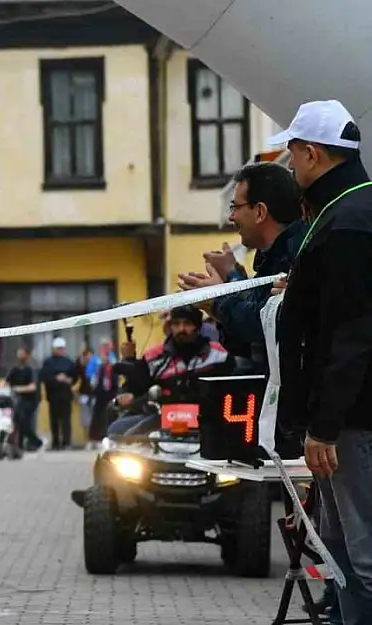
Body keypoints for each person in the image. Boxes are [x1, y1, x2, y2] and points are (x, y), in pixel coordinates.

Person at [270, 100, 372, 624]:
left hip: (352, 421)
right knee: (340, 551)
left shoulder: (350, 221)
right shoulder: (344, 212)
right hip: (341, 420)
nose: (290, 170)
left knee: (362, 556)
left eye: (292, 157)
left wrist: (325, 426)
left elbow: (352, 334)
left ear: (312, 153)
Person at [178, 161, 305, 375]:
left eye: (235, 207)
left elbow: (264, 322)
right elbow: (249, 344)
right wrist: (215, 309)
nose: (231, 217)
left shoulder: (298, 255)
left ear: (260, 212)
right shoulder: (271, 259)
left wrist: (220, 296)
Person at [109, 305, 235, 436]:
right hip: (161, 419)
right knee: (117, 430)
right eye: (177, 324)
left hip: (209, 419)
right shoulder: (153, 357)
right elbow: (136, 385)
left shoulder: (219, 354)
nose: (182, 329)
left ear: (197, 327)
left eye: (187, 323)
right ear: (171, 326)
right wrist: (128, 393)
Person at [39, 337, 78, 450]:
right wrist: (56, 378)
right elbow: (44, 376)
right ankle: (55, 443)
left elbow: (74, 376)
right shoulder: (48, 362)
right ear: (54, 349)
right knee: (54, 420)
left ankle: (67, 442)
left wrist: (69, 380)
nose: (61, 350)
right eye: (58, 348)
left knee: (66, 420)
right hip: (53, 395)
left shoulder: (69, 362)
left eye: (62, 348)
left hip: (66, 395)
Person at [6, 346, 42, 451]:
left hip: (31, 400)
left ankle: (34, 442)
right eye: (18, 353)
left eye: (22, 353)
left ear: (26, 355)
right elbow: (7, 381)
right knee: (18, 420)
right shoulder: (15, 369)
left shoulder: (31, 368)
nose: (20, 355)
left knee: (25, 421)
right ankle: (22, 443)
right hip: (18, 401)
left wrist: (18, 389)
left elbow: (33, 387)